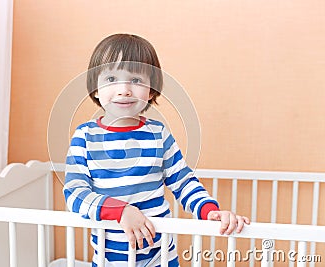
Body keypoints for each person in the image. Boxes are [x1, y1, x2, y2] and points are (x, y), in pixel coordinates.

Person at [63, 33, 250, 267]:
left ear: (151, 91)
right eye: (111, 79)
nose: (124, 90)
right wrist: (120, 211)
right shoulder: (85, 136)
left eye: (136, 80)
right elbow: (75, 193)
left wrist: (208, 211)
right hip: (110, 259)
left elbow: (183, 181)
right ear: (96, 89)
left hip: (160, 256)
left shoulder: (158, 134)